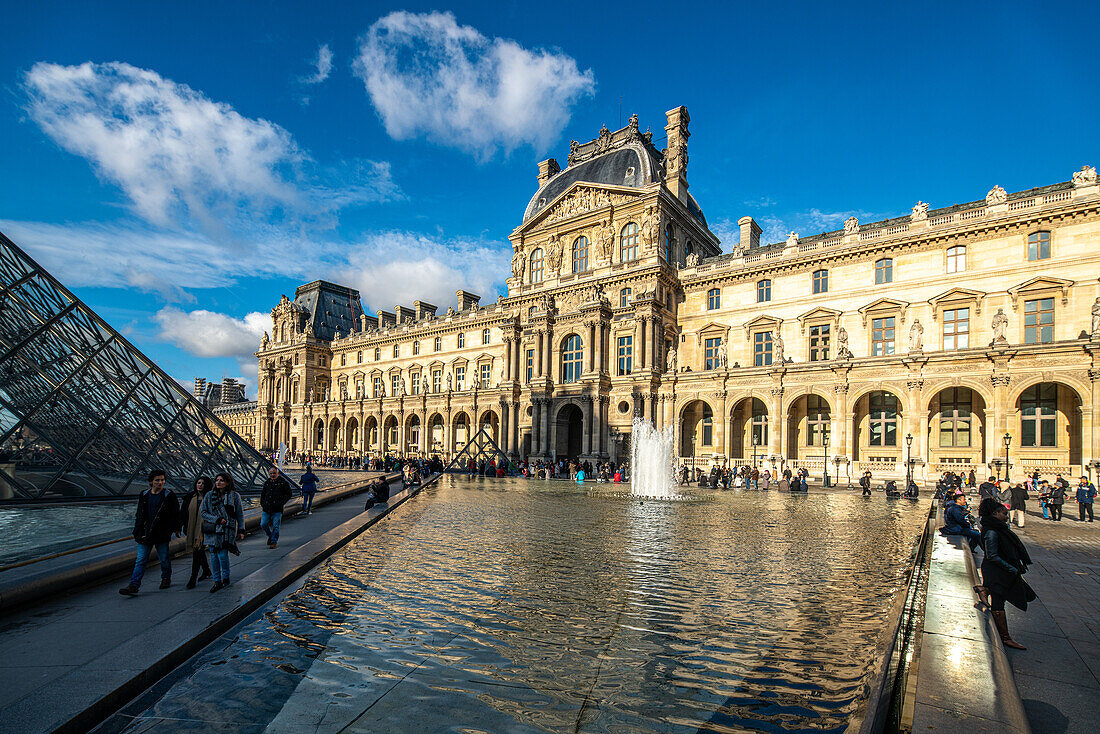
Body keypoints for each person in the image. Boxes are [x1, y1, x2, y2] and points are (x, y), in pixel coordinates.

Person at [974, 498, 1035, 650]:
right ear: (995, 513)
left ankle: (984, 589)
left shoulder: (995, 529)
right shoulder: (992, 531)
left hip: (999, 569)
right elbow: (992, 555)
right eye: (1004, 513)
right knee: (999, 601)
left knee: (1001, 597)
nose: (1006, 516)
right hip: (997, 571)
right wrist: (1011, 568)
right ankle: (1005, 637)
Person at [119, 469, 181, 596]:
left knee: (163, 558)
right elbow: (139, 513)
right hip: (145, 533)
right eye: (157, 480)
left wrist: (174, 528)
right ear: (151, 482)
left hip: (161, 533)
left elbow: (175, 514)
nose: (160, 482)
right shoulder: (144, 494)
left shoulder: (169, 495)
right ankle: (134, 585)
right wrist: (137, 530)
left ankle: (165, 578)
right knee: (141, 560)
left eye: (162, 480)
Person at [201, 472, 245, 593]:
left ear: (228, 482)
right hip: (213, 529)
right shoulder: (209, 495)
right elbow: (203, 512)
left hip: (227, 530)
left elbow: (239, 514)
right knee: (214, 556)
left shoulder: (235, 496)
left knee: (222, 556)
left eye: (221, 480)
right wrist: (217, 519)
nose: (218, 483)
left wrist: (241, 530)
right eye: (217, 480)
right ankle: (217, 581)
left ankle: (225, 577)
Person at [181, 476, 213, 589]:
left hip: (203, 529)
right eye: (198, 483)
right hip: (192, 529)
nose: (200, 485)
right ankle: (206, 570)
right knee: (199, 551)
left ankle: (193, 578)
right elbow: (184, 513)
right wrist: (181, 527)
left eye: (203, 483)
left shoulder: (210, 498)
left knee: (197, 552)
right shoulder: (190, 497)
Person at [260, 466, 293, 549]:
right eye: (271, 473)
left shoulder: (283, 482)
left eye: (274, 473)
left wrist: (281, 503)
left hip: (277, 508)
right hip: (266, 508)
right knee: (263, 524)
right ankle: (270, 536)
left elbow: (289, 494)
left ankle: (273, 541)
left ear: (278, 473)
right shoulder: (267, 482)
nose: (272, 475)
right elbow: (263, 494)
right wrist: (263, 503)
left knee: (276, 526)